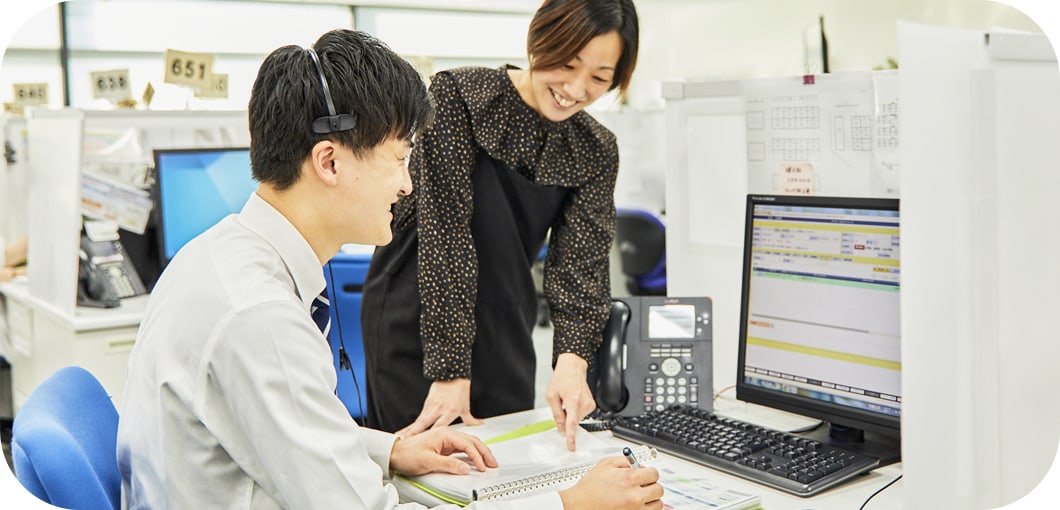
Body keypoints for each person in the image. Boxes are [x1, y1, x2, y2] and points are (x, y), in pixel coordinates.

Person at [116, 28, 661, 510]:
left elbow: (291, 436)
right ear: (329, 161)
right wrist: (568, 507)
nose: (407, 185)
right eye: (400, 159)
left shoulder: (217, 257)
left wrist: (390, 448)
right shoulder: (261, 322)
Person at [361, 0, 640, 451]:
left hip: (506, 318)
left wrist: (573, 360)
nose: (575, 88)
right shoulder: (461, 96)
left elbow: (580, 267)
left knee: (505, 466)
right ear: (538, 39)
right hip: (416, 310)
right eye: (567, 63)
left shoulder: (595, 148)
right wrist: (450, 369)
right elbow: (445, 234)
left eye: (599, 78)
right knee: (420, 470)